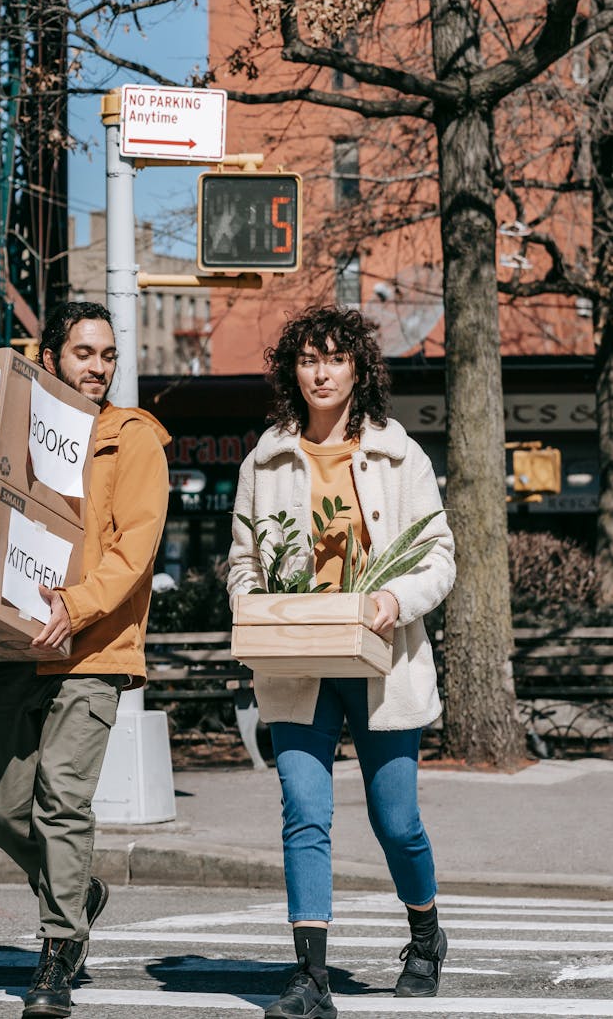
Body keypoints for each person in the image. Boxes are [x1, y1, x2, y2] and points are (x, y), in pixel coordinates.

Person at [0, 301, 170, 1019]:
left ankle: (58, 952)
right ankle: (79, 890)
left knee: (62, 795)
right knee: (4, 808)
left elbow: (133, 550)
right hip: (16, 647)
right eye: (85, 352)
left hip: (92, 647)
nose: (99, 366)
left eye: (108, 354)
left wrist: (78, 605)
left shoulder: (134, 438)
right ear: (51, 354)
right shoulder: (18, 430)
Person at [228, 305, 455, 1018]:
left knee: (396, 820)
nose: (320, 371)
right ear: (291, 372)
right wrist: (252, 605)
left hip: (381, 655)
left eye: (334, 357)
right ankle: (311, 977)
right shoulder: (263, 459)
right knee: (304, 810)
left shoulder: (399, 454)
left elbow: (439, 556)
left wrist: (395, 597)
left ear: (359, 368)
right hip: (298, 659)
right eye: (307, 359)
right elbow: (242, 561)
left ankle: (425, 934)